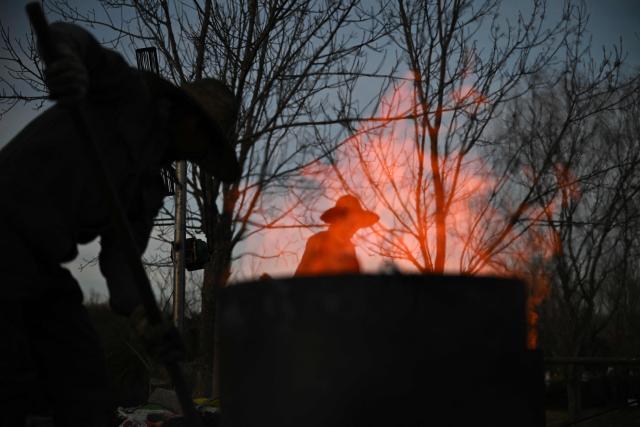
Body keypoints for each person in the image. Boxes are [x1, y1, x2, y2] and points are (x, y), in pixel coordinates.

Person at [0, 22, 240, 426]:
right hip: (3, 232)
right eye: (206, 141)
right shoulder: (125, 92)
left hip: (40, 266)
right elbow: (66, 36)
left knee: (85, 384)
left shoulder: (148, 188)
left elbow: (121, 263)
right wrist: (68, 64)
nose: (200, 154)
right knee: (12, 381)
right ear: (191, 121)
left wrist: (146, 317)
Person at [294, 195, 379, 277]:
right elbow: (301, 277)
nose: (354, 228)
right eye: (351, 223)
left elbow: (356, 285)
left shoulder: (350, 249)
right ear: (338, 219)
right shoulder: (318, 240)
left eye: (357, 224)